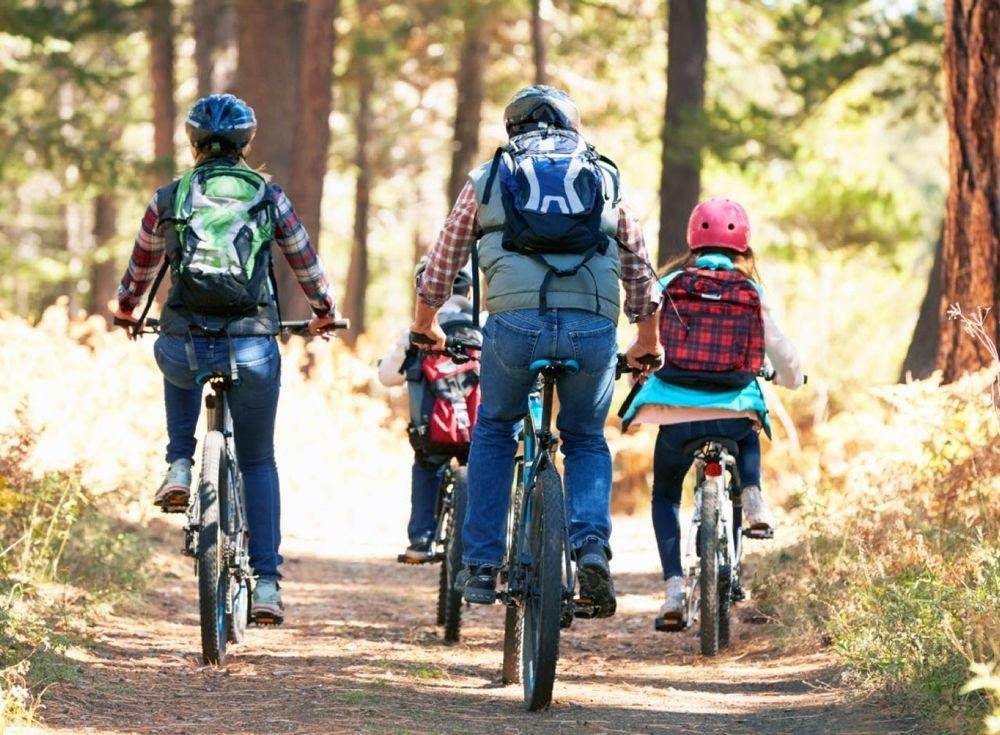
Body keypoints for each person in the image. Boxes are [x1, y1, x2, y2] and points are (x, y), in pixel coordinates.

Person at [409, 85, 663, 618]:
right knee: (587, 438)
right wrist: (647, 339)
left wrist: (425, 326)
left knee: (496, 429)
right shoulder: (605, 176)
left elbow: (442, 262)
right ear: (573, 128)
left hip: (514, 326)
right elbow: (637, 262)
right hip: (592, 328)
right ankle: (590, 546)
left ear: (512, 130)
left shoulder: (490, 176)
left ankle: (480, 565)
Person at [114, 93, 340, 624]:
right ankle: (265, 584)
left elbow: (140, 269)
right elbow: (304, 262)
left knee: (179, 354)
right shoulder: (268, 196)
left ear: (192, 143)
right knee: (259, 461)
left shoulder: (170, 197)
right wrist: (324, 311)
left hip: (183, 339)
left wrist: (128, 310)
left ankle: (179, 461)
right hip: (252, 342)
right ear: (246, 144)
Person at [621, 198, 804, 625]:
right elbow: (783, 355)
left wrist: (636, 379)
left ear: (693, 240)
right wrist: (793, 379)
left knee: (665, 495)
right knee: (748, 429)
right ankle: (753, 498)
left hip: (676, 412)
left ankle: (671, 590)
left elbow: (642, 343)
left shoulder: (669, 283)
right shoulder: (750, 291)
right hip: (732, 408)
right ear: (743, 245)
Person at [377, 261, 480, 562]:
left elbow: (387, 377)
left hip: (432, 431)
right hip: (479, 429)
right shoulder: (484, 324)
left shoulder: (417, 331)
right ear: (468, 290)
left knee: (426, 464)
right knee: (487, 469)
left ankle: (421, 539)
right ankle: (486, 548)